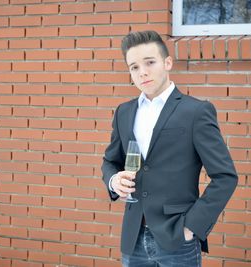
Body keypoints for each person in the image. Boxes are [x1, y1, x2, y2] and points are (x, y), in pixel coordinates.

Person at [101, 30, 238, 267]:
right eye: (134, 67)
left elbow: (225, 177)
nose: (142, 72)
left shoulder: (195, 112)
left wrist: (191, 226)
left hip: (177, 240)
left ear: (167, 63)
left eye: (150, 62)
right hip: (133, 239)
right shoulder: (124, 112)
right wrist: (113, 181)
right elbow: (110, 161)